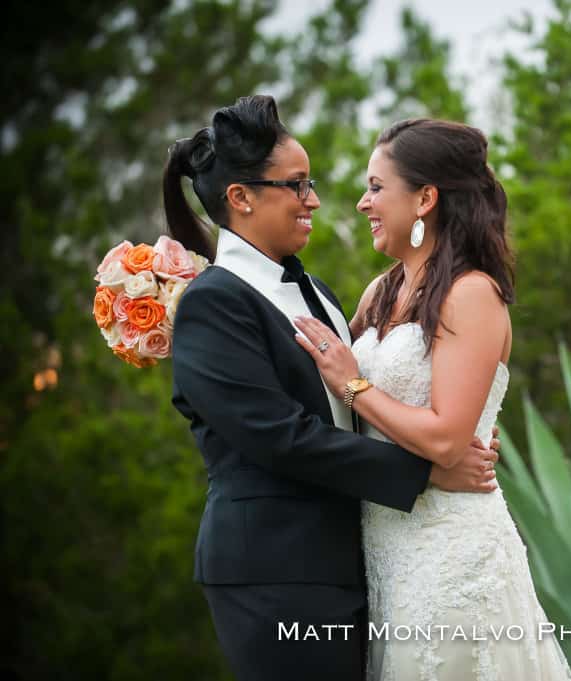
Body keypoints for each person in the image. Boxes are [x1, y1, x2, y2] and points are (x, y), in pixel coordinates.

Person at [164, 96, 501, 681]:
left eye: (310, 182)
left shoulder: (320, 290)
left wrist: (458, 427)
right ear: (241, 198)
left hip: (365, 560)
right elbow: (280, 438)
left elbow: (372, 393)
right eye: (296, 186)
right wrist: (426, 473)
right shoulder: (213, 302)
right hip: (275, 570)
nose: (314, 199)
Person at [294, 118, 571, 681]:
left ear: (425, 198)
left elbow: (447, 438)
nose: (360, 203)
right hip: (387, 548)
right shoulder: (381, 291)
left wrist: (355, 383)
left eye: (376, 187)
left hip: (452, 553)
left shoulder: (472, 294)